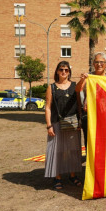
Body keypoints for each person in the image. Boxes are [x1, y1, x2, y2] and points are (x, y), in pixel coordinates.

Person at [44, 61, 83, 190]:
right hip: (56, 123)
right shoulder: (52, 87)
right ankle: (57, 177)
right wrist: (49, 125)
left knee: (72, 150)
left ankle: (72, 175)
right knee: (57, 151)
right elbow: (48, 108)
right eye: (61, 70)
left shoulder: (74, 86)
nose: (64, 72)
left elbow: (78, 104)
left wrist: (80, 121)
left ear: (69, 72)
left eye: (66, 70)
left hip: (73, 123)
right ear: (57, 71)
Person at [76, 52, 106, 150]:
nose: (99, 64)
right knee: (89, 141)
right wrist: (82, 80)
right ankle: (90, 164)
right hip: (89, 115)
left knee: (105, 141)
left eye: (102, 62)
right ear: (93, 64)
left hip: (105, 116)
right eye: (97, 62)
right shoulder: (88, 77)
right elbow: (77, 89)